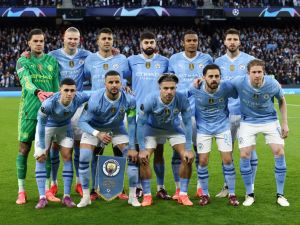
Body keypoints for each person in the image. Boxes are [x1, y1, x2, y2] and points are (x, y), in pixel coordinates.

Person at [231, 59, 289, 207]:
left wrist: (284, 123)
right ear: (248, 73)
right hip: (248, 121)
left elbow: (282, 101)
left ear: (264, 72)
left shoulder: (272, 84)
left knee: (279, 152)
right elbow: (222, 87)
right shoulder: (239, 82)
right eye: (254, 72)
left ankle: (280, 195)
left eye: (259, 72)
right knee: (244, 154)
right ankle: (249, 194)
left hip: (269, 120)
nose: (257, 75)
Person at [77, 70, 138, 207]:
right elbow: (82, 122)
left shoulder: (130, 100)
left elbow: (132, 123)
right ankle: (86, 197)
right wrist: (97, 134)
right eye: (111, 82)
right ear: (105, 84)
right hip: (94, 128)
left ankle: (132, 197)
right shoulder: (95, 99)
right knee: (84, 157)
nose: (114, 85)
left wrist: (133, 147)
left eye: (117, 82)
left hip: (117, 129)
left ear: (121, 82)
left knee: (133, 157)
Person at [84, 27, 130, 201]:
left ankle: (119, 189)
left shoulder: (122, 59)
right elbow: (86, 77)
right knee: (97, 151)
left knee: (119, 150)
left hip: (118, 110)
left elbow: (129, 78)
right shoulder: (90, 59)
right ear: (98, 41)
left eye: (109, 38)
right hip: (97, 113)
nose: (107, 41)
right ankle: (95, 188)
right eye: (103, 38)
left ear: (113, 40)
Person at [15, 28, 59, 205]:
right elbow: (25, 81)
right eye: (35, 41)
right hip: (28, 112)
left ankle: (47, 190)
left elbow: (56, 85)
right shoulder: (22, 60)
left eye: (41, 41)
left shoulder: (51, 61)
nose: (39, 44)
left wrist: (56, 100)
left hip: (48, 114)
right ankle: (21, 191)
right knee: (24, 150)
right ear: (29, 43)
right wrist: (37, 91)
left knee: (45, 152)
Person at [137, 73, 194, 207]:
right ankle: (147, 195)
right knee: (144, 158)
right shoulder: (150, 99)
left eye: (172, 88)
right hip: (152, 129)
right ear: (160, 88)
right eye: (166, 88)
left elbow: (187, 122)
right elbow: (140, 124)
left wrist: (189, 148)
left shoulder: (181, 98)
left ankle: (183, 194)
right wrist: (141, 149)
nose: (169, 91)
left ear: (176, 88)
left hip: (173, 129)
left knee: (187, 157)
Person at [168, 30, 213, 199]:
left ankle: (200, 187)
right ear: (183, 42)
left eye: (195, 40)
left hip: (200, 113)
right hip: (179, 112)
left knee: (201, 151)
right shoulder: (174, 59)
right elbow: (168, 81)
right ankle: (179, 188)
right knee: (177, 152)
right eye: (189, 40)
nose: (192, 43)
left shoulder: (207, 59)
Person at [47, 27, 91, 199]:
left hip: (78, 106)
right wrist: (26, 55)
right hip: (58, 105)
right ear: (63, 38)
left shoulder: (86, 55)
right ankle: (53, 184)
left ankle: (79, 183)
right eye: (70, 38)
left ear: (80, 39)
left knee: (79, 146)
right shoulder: (52, 55)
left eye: (76, 38)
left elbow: (101, 63)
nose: (73, 41)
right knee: (55, 146)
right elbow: (39, 61)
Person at [214, 28, 257, 198]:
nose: (232, 42)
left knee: (249, 152)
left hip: (246, 114)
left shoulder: (250, 60)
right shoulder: (217, 61)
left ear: (239, 41)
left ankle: (250, 188)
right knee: (227, 152)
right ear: (224, 42)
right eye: (229, 39)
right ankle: (227, 186)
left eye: (235, 39)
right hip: (224, 114)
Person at [34, 78, 89, 209]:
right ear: (60, 90)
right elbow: (41, 124)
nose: (69, 93)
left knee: (67, 157)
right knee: (41, 158)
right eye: (66, 90)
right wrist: (41, 147)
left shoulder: (79, 97)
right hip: (46, 128)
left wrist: (123, 89)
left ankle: (67, 196)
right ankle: (42, 197)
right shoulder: (49, 103)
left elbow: (97, 93)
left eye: (72, 90)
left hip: (65, 128)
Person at [127, 31, 170, 200]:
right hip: (139, 113)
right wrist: (124, 84)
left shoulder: (164, 62)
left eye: (152, 42)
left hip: (158, 115)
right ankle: (138, 187)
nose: (149, 45)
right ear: (141, 45)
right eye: (146, 42)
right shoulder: (131, 61)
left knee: (159, 153)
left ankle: (160, 187)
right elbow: (120, 76)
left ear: (155, 43)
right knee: (139, 152)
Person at [189, 64, 239, 206]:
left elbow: (237, 93)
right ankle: (205, 194)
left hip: (222, 127)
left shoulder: (226, 87)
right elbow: (181, 96)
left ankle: (232, 194)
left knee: (228, 160)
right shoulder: (195, 88)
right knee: (203, 161)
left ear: (220, 77)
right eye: (210, 76)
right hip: (203, 129)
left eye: (217, 76)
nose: (214, 79)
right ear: (203, 77)